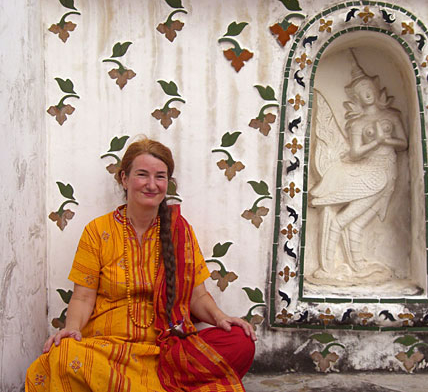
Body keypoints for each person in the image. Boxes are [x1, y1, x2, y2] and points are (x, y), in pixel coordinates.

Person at [25, 137, 256, 391]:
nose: (152, 184)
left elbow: (197, 296)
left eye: (160, 177)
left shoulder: (180, 230)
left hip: (166, 352)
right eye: (142, 174)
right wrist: (71, 329)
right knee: (62, 356)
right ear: (124, 179)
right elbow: (82, 298)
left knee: (240, 340)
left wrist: (221, 318)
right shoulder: (98, 231)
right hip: (108, 350)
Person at [309, 53, 408, 285]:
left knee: (358, 223)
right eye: (362, 90)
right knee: (343, 219)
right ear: (357, 97)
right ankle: (327, 268)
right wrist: (376, 142)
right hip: (372, 173)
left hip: (388, 171)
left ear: (375, 89)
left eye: (369, 87)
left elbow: (403, 144)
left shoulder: (391, 115)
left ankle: (358, 264)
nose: (367, 92)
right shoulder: (357, 123)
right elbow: (355, 153)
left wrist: (386, 141)